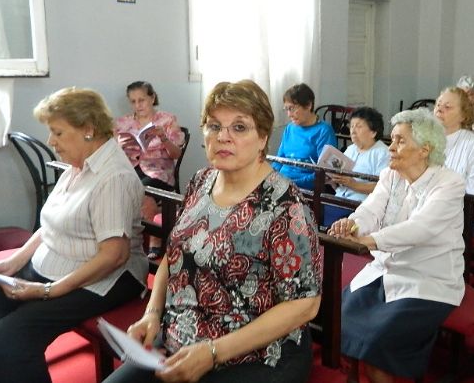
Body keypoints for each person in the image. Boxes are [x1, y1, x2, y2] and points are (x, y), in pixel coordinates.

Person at [103, 80, 323, 383]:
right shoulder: (201, 181)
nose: (223, 137)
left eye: (239, 127)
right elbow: (175, 253)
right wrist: (152, 313)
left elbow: (305, 303)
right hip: (182, 337)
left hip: (256, 354)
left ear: (263, 137)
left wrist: (214, 351)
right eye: (214, 126)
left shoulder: (285, 205)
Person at [0, 87, 147, 383]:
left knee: (6, 346)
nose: (50, 141)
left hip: (105, 279)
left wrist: (48, 291)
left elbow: (114, 256)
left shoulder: (113, 177)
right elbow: (52, 225)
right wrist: (14, 262)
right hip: (53, 266)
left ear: (88, 129)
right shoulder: (78, 166)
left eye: (57, 132)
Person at [329, 109, 465, 383]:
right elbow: (370, 210)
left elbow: (420, 228)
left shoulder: (449, 183)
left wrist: (367, 240)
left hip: (427, 279)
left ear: (425, 149)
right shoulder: (390, 175)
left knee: (377, 343)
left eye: (400, 141)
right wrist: (351, 225)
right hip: (383, 270)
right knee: (337, 321)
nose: (391, 147)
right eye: (392, 139)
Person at [115, 81, 185, 259]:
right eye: (133, 101)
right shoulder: (123, 122)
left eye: (142, 100)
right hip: (131, 168)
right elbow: (112, 154)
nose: (138, 105)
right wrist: (119, 146)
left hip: (159, 170)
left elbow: (176, 154)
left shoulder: (167, 120)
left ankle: (154, 238)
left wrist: (163, 138)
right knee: (115, 186)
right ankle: (123, 237)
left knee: (141, 191)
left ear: (152, 98)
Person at [434, 87, 474, 234]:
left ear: (463, 116)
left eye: (447, 107)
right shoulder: (427, 140)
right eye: (438, 105)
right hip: (428, 211)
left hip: (463, 217)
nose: (439, 110)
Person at [324, 107, 390, 226]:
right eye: (352, 126)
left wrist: (353, 184)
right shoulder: (350, 149)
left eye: (359, 127)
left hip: (361, 206)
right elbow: (341, 179)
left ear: (373, 132)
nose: (353, 131)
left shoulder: (383, 153)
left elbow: (383, 187)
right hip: (339, 198)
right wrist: (333, 180)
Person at [272, 83, 337, 190]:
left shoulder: (324, 131)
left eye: (292, 108)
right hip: (282, 183)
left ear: (308, 105)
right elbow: (279, 160)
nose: (289, 114)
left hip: (305, 187)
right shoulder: (290, 128)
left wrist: (292, 184)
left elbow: (324, 172)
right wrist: (271, 177)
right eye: (286, 109)